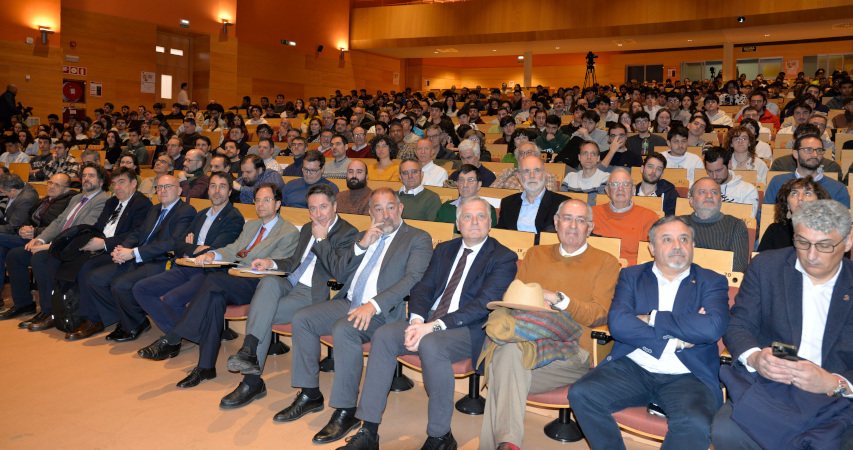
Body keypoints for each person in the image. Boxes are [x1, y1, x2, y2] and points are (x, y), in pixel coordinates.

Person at [341, 197, 517, 450]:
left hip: (469, 329)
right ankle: (369, 429)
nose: (474, 222)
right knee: (384, 335)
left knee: (432, 345)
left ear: (490, 222)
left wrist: (432, 327)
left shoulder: (503, 257)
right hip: (429, 321)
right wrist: (416, 320)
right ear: (458, 223)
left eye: (481, 216)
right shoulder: (445, 249)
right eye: (467, 216)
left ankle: (440, 436)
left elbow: (483, 305)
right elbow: (423, 288)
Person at [274, 188, 432, 444]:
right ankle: (310, 394)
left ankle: (346, 410)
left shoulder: (417, 237)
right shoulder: (363, 236)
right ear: (370, 213)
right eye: (378, 209)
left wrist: (373, 304)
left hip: (385, 312)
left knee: (344, 329)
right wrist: (361, 246)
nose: (385, 214)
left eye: (390, 207)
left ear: (400, 209)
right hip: (349, 302)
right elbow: (341, 274)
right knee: (303, 318)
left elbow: (412, 279)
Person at [570, 215, 730, 449]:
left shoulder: (711, 281)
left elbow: (712, 327)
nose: (677, 246)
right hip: (633, 366)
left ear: (693, 246)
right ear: (652, 248)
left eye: (684, 239)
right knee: (582, 393)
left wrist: (652, 317)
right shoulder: (632, 276)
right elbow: (619, 324)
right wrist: (676, 341)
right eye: (667, 239)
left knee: (696, 423)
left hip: (688, 374)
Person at [480, 198, 621, 449]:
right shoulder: (535, 254)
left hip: (574, 351)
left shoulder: (606, 262)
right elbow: (513, 300)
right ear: (556, 223)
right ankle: (506, 445)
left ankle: (504, 444)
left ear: (590, 227)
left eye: (581, 220)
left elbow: (598, 314)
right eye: (567, 218)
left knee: (503, 364)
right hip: (527, 339)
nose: (573, 225)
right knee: (510, 354)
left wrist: (558, 299)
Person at [712, 200, 853, 449]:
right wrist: (755, 357)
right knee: (725, 430)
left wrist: (834, 384)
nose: (811, 255)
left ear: (848, 241)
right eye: (802, 242)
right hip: (772, 382)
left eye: (824, 246)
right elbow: (740, 324)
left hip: (834, 392)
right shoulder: (767, 267)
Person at [136, 182, 300, 388]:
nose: (260, 204)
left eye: (266, 200)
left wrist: (267, 263)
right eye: (257, 200)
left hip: (259, 285)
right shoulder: (250, 226)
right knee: (214, 298)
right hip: (235, 280)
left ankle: (175, 336)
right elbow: (233, 249)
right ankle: (205, 367)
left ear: (277, 204)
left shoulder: (288, 231)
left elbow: (283, 265)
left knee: (212, 280)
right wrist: (214, 254)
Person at [221, 184, 358, 409]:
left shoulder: (348, 233)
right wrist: (271, 263)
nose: (318, 214)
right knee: (267, 281)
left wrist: (322, 240)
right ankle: (249, 351)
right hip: (289, 283)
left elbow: (338, 272)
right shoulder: (306, 229)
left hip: (312, 293)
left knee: (262, 313)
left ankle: (251, 376)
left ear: (335, 206)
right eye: (312, 209)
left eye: (323, 207)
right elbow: (294, 262)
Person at [26, 167, 153, 334]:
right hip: (98, 245)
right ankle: (57, 310)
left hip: (118, 251)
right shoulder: (112, 202)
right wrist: (86, 241)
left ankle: (93, 318)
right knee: (55, 258)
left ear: (134, 183)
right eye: (114, 183)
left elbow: (136, 234)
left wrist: (103, 243)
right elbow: (98, 226)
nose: (117, 187)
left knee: (85, 266)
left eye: (122, 182)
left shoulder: (142, 203)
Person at [130, 172, 244, 335]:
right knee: (140, 288)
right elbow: (178, 245)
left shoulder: (233, 217)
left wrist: (192, 248)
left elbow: (218, 248)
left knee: (171, 299)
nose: (217, 190)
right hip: (186, 266)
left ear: (230, 192)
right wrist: (196, 248)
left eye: (222, 186)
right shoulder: (201, 214)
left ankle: (181, 337)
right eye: (213, 186)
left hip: (209, 271)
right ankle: (176, 333)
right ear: (208, 190)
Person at [0, 164, 110, 320]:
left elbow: (82, 230)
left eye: (91, 176)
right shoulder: (77, 197)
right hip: (57, 242)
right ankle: (23, 304)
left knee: (40, 258)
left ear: (101, 181)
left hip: (73, 247)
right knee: (14, 255)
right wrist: (40, 239)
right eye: (84, 175)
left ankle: (49, 310)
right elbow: (59, 221)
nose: (86, 178)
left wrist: (49, 246)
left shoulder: (102, 200)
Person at [591, 167, 660, 265]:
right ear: (607, 190)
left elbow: (649, 257)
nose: (620, 189)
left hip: (632, 272)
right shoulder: (592, 214)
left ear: (633, 189)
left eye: (626, 184)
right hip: (598, 268)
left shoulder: (649, 217)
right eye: (614, 184)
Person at [681, 177, 750, 273]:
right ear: (691, 201)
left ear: (721, 199)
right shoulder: (678, 224)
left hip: (720, 284)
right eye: (702, 192)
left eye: (714, 192)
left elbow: (738, 269)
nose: (709, 196)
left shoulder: (736, 226)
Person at [764, 134, 850, 208]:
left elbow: (843, 223)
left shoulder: (838, 188)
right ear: (796, 154)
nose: (815, 155)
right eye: (808, 150)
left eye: (819, 150)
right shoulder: (778, 182)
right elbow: (765, 215)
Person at [496, 154, 568, 242]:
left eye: (537, 170)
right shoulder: (507, 202)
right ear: (519, 177)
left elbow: (556, 236)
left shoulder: (563, 203)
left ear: (544, 174)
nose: (532, 175)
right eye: (526, 171)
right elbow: (501, 232)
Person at [757, 176, 830, 252]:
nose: (800, 198)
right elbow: (761, 261)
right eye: (794, 194)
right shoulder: (774, 231)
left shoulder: (829, 232)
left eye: (807, 193)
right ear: (787, 204)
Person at [703, 147, 759, 218]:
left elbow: (746, 221)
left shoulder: (748, 190)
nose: (714, 176)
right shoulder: (699, 188)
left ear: (729, 164)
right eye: (710, 171)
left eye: (719, 170)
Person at [635, 152, 678, 216]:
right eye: (650, 167)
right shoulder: (631, 192)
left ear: (662, 174)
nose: (654, 171)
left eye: (658, 169)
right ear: (642, 169)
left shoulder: (670, 194)